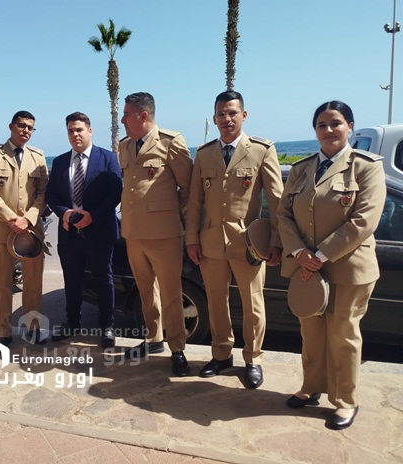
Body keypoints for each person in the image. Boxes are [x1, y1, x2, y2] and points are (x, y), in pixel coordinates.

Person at [277, 101, 386, 430]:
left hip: (348, 268)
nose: (328, 130)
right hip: (306, 268)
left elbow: (364, 220)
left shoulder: (366, 167)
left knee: (343, 335)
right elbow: (283, 214)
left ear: (349, 126)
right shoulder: (302, 169)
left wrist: (320, 255)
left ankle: (345, 401)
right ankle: (311, 387)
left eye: (335, 123)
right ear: (315, 131)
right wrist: (300, 253)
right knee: (311, 334)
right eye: (321, 125)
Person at [186, 90, 283, 389]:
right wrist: (192, 239)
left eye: (232, 113)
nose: (226, 119)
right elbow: (195, 202)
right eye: (221, 114)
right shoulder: (204, 154)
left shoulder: (262, 150)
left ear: (243, 115)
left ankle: (253, 359)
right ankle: (221, 354)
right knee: (216, 301)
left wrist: (276, 242)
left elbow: (276, 201)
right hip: (211, 241)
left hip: (249, 243)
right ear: (214, 118)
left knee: (253, 303)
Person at [118, 92, 193, 377]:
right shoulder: (125, 146)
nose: (123, 120)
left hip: (164, 234)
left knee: (171, 293)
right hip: (133, 233)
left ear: (143, 115)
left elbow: (188, 187)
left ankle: (178, 348)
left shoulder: (170, 142)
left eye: (127, 115)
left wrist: (171, 214)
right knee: (145, 290)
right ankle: (153, 338)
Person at [46, 112, 122, 347]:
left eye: (79, 129)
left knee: (104, 280)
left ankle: (107, 326)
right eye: (70, 131)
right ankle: (72, 322)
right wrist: (64, 212)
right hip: (69, 233)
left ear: (89, 131)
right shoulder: (59, 162)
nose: (75, 134)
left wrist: (93, 216)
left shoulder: (107, 158)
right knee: (72, 281)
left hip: (99, 231)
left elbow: (115, 193)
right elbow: (51, 195)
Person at [0, 110, 49, 346]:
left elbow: (43, 193)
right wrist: (13, 220)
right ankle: (2, 332)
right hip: (1, 231)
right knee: (1, 284)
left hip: (31, 232)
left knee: (33, 283)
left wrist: (27, 220)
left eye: (30, 127)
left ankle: (33, 328)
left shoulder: (38, 157)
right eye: (21, 125)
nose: (26, 130)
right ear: (11, 127)